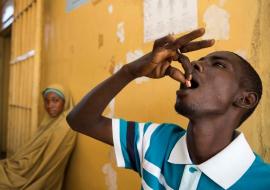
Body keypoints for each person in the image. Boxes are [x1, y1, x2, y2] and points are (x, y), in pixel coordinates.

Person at [67, 28, 270, 189]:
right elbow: (80, 120)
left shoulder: (262, 182)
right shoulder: (156, 141)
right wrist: (130, 72)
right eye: (199, 60)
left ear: (245, 99)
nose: (194, 64)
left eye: (218, 65)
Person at [0, 84, 77, 190]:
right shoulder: (50, 120)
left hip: (34, 173)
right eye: (47, 101)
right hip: (26, 165)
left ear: (65, 102)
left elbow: (49, 164)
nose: (49, 105)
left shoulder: (65, 127)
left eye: (55, 100)